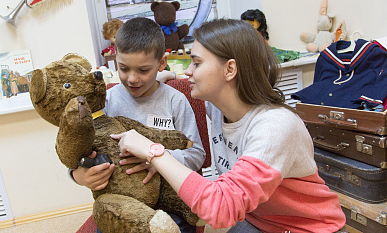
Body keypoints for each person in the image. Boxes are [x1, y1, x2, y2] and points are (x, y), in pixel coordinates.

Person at [113, 19, 347, 232]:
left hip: (309, 228)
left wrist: (153, 152)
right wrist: (157, 78)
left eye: (196, 63)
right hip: (259, 220)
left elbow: (220, 208)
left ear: (230, 69)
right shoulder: (218, 108)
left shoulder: (275, 127)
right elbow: (183, 81)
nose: (188, 70)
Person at [71, 17, 205, 233]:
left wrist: (160, 161)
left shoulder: (175, 101)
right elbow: (79, 149)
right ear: (115, 59)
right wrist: (78, 175)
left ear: (162, 63)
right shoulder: (105, 102)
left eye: (143, 70)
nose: (132, 78)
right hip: (121, 202)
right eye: (123, 68)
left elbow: (197, 154)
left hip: (169, 203)